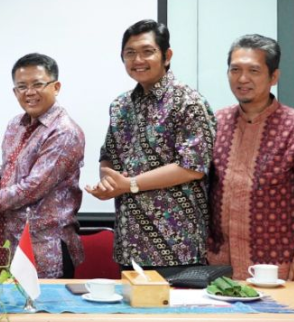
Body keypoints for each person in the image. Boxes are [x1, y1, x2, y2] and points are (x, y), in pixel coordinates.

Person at [89, 20, 215, 272]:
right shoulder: (120, 105)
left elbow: (193, 167)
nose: (138, 60)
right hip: (130, 242)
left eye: (147, 51)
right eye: (130, 53)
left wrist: (131, 184)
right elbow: (108, 157)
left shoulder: (189, 102)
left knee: (174, 312)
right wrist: (108, 181)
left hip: (178, 247)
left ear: (166, 56)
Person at [0, 53, 85, 279]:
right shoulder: (15, 125)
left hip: (45, 248)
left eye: (38, 84)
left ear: (56, 87)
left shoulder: (64, 132)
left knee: (41, 313)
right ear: (14, 92)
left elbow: (32, 187)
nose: (29, 92)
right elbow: (14, 174)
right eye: (22, 86)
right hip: (8, 242)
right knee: (6, 311)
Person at [207, 35, 294, 281]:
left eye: (253, 70)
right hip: (220, 266)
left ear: (273, 77)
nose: (243, 79)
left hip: (276, 267)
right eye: (235, 70)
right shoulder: (215, 123)